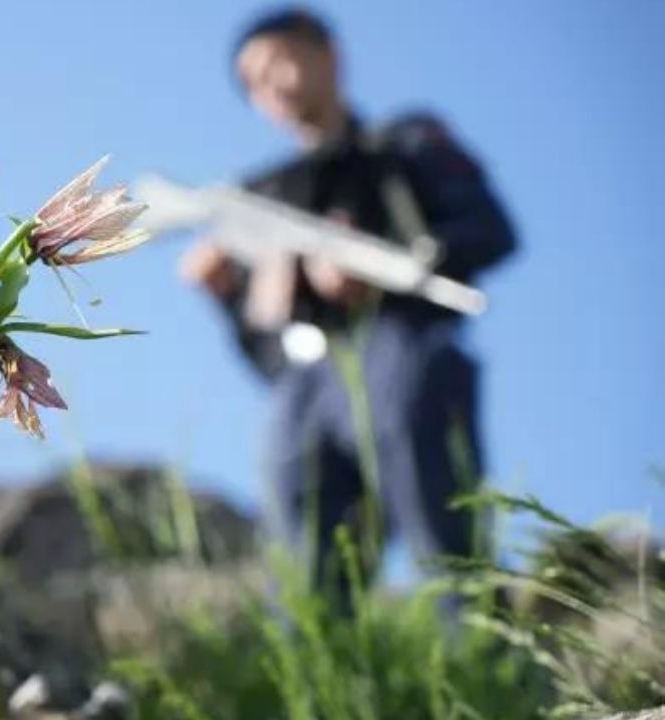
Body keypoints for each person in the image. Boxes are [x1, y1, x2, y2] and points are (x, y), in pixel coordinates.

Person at [178, 7, 517, 598]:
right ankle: (330, 679)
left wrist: (380, 265)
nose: (271, 85)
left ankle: (485, 662)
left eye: (279, 61)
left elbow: (489, 230)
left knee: (443, 530)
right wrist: (231, 297)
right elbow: (266, 354)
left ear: (328, 55)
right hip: (308, 377)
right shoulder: (261, 195)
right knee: (302, 551)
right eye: (253, 82)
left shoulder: (406, 144)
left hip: (403, 344)